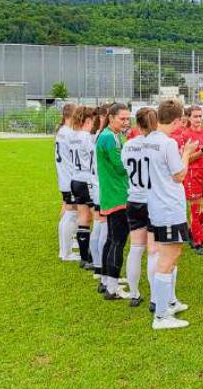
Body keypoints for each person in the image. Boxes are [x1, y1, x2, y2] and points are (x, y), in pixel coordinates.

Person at [145, 99, 198, 330]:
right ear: (177, 120)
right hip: (167, 207)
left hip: (158, 204)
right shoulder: (165, 143)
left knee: (171, 255)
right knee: (168, 258)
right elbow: (179, 175)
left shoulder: (148, 140)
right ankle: (161, 314)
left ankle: (168, 302)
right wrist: (186, 152)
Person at [120, 107, 158, 307]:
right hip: (152, 200)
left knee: (136, 248)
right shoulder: (157, 145)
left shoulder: (129, 145)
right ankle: (154, 297)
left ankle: (134, 294)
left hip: (134, 199)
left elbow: (126, 168)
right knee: (153, 250)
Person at [95, 103, 132, 300]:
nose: (126, 122)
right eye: (122, 119)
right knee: (118, 241)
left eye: (128, 118)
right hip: (117, 194)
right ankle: (112, 287)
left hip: (112, 193)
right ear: (111, 118)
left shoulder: (112, 135)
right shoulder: (110, 137)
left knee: (111, 239)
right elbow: (119, 166)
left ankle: (105, 279)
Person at [182, 106, 203, 255]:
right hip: (193, 173)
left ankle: (191, 231)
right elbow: (186, 159)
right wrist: (202, 151)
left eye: (200, 116)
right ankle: (197, 240)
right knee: (195, 209)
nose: (198, 119)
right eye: (195, 116)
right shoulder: (185, 135)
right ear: (188, 118)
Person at [68, 106, 97, 270]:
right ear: (88, 120)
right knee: (98, 218)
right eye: (92, 120)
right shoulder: (87, 137)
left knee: (83, 218)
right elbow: (94, 159)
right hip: (87, 180)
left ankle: (84, 257)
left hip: (75, 180)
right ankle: (93, 257)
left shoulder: (72, 136)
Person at [55, 103, 79, 262]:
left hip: (65, 178)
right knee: (71, 213)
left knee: (70, 213)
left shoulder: (62, 131)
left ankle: (67, 248)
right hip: (69, 178)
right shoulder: (69, 133)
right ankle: (65, 252)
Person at [89, 104, 110, 285]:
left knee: (98, 225)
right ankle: (104, 271)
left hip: (96, 186)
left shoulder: (96, 135)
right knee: (104, 228)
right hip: (102, 188)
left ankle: (98, 267)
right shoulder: (104, 137)